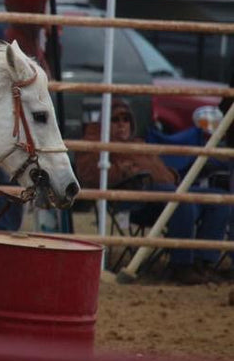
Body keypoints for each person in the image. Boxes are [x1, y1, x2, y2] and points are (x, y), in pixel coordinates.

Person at [76, 99, 230, 284]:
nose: (122, 124)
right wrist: (123, 170)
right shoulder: (95, 144)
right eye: (115, 119)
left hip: (166, 192)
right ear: (104, 123)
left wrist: (172, 176)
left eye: (126, 119)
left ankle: (203, 263)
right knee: (180, 200)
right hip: (136, 199)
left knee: (219, 199)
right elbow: (88, 176)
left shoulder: (139, 143)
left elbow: (162, 171)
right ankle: (181, 266)